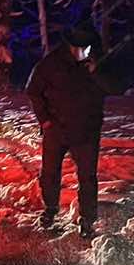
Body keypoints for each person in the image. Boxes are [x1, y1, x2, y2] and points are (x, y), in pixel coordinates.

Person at [26, 22, 106, 239]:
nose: (85, 51)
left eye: (88, 47)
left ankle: (88, 220)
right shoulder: (50, 64)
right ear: (71, 46)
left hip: (87, 131)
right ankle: (51, 209)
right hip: (57, 130)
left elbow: (115, 87)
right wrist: (45, 121)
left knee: (87, 177)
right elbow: (33, 91)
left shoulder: (96, 62)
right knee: (50, 174)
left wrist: (96, 72)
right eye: (81, 47)